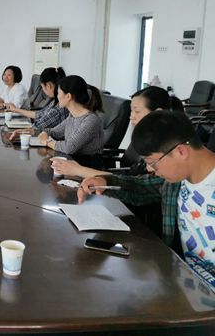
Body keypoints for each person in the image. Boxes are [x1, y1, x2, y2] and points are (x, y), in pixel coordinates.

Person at [78, 111, 215, 289]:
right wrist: (105, 182)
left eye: (152, 162)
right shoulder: (177, 181)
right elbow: (139, 187)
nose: (150, 169)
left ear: (181, 152)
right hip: (185, 283)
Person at [52, 86, 184, 178]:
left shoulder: (165, 151)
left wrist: (79, 170)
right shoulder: (145, 138)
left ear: (157, 113)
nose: (131, 116)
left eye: (137, 111)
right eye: (131, 111)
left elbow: (133, 184)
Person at [37, 75, 104, 157]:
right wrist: (44, 133)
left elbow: (69, 147)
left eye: (58, 93)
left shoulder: (91, 120)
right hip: (70, 160)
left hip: (85, 163)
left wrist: (47, 142)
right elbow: (54, 132)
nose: (57, 96)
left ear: (68, 96)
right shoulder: (72, 116)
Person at [7, 67, 68, 136]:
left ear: (48, 86)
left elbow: (36, 128)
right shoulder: (54, 102)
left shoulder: (57, 109)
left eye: (42, 87)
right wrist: (15, 110)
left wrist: (13, 131)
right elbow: (39, 114)